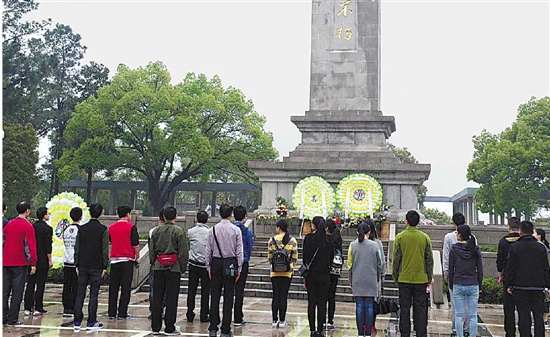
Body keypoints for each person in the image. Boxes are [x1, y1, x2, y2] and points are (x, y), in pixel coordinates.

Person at [392, 210, 433, 337]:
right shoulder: (425, 237)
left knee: (404, 308)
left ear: (407, 221)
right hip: (421, 279)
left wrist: (395, 276)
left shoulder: (400, 237)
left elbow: (396, 260)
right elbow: (429, 260)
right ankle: (421, 333)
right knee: (420, 309)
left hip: (404, 279)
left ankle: (405, 333)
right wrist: (429, 277)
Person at [505, 220, 550, 337]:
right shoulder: (541, 248)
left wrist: (509, 285)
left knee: (523, 315)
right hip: (538, 286)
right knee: (538, 316)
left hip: (520, 286)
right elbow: (546, 268)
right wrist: (548, 286)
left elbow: (510, 268)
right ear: (532, 232)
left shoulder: (515, 247)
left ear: (520, 232)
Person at [150, 206, 189, 336]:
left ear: (164, 217)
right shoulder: (179, 231)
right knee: (172, 297)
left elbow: (152, 251)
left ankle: (155, 327)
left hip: (159, 266)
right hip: (174, 268)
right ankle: (169, 327)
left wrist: (153, 264)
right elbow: (183, 252)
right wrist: (183, 268)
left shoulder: (156, 231)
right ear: (175, 217)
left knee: (157, 297)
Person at [206, 204, 243, 337]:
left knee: (214, 296)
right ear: (230, 214)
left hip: (216, 263)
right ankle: (226, 329)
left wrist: (208, 266)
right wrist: (239, 268)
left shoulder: (213, 229)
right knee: (228, 297)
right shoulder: (235, 230)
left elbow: (208, 250)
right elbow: (239, 251)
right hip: (230, 264)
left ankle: (213, 327)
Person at [73, 203, 109, 332]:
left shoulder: (81, 229)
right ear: (101, 213)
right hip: (96, 265)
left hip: (82, 264)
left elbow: (77, 248)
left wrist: (76, 263)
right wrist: (105, 265)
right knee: (94, 294)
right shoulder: (103, 229)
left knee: (80, 293)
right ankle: (91, 321)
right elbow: (104, 250)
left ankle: (77, 321)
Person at [3, 202, 37, 326]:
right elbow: (30, 246)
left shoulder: (8, 225)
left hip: (5, 262)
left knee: (4, 291)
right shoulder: (27, 226)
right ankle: (12, 318)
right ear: (27, 211)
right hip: (20, 263)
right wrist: (33, 262)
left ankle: (3, 316)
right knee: (17, 292)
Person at [348, 222, 383, 337]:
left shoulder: (352, 245)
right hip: (371, 278)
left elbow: (349, 264)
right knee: (369, 306)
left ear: (357, 232)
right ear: (369, 232)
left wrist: (350, 279)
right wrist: (378, 275)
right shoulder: (375, 245)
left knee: (359, 306)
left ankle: (359, 332)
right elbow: (380, 263)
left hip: (357, 278)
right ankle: (368, 332)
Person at [448, 225, 483, 337]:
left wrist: (451, 283)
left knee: (458, 314)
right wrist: (480, 284)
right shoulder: (475, 249)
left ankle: (459, 335)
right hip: (473, 283)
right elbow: (480, 269)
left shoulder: (454, 249)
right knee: (473, 315)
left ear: (460, 235)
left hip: (458, 282)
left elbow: (451, 269)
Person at [303, 216, 334, 337]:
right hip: (324, 275)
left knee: (312, 302)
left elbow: (305, 256)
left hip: (311, 275)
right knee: (322, 303)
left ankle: (312, 329)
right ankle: (320, 329)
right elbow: (331, 258)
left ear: (313, 226)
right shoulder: (329, 240)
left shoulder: (308, 238)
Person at [108, 205, 140, 320]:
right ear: (127, 214)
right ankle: (122, 312)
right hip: (127, 260)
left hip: (115, 260)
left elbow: (111, 243)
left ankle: (111, 312)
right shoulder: (131, 227)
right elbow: (135, 245)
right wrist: (137, 258)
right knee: (125, 288)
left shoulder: (111, 227)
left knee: (113, 287)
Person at [443, 212, 470, 337]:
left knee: (455, 303)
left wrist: (446, 273)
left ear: (453, 223)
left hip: (455, 275)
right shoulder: (472, 237)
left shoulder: (449, 237)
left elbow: (446, 256)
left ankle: (455, 328)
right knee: (468, 304)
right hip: (469, 275)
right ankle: (466, 328)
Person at [268, 219, 298, 328]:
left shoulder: (272, 240)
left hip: (275, 272)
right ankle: (282, 320)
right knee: (283, 295)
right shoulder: (292, 240)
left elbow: (270, 257)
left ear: (279, 228)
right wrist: (289, 266)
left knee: (275, 294)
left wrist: (275, 265)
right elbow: (295, 257)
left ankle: (274, 319)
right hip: (287, 273)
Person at [23, 206, 52, 316]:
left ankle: (27, 307)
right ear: (44, 216)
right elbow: (48, 246)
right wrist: (50, 259)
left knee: (30, 283)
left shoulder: (32, 227)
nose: (48, 215)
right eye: (48, 213)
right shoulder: (48, 229)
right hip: (43, 258)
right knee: (40, 283)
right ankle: (38, 306)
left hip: (32, 258)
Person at [496, 216, 521, 337]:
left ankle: (510, 332)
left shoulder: (503, 241)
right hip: (523, 277)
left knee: (509, 308)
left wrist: (500, 274)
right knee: (523, 308)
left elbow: (500, 260)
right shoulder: (524, 240)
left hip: (508, 277)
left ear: (509, 227)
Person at [187, 210, 211, 323]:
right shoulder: (210, 232)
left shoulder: (191, 231)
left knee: (191, 290)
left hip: (193, 264)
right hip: (205, 266)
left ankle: (189, 313)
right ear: (207, 220)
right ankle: (204, 314)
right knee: (205, 291)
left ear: (196, 219)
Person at [232, 205, 253, 326]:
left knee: (229, 290)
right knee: (239, 290)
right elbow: (249, 246)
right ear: (244, 216)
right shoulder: (246, 231)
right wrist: (246, 258)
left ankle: (226, 316)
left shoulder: (230, 229)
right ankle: (238, 318)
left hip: (229, 261)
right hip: (243, 262)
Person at [62, 207, 82, 317]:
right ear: (81, 217)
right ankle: (73, 306)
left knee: (66, 285)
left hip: (66, 260)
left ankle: (66, 307)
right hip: (76, 263)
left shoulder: (66, 230)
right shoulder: (81, 230)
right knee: (75, 286)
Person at [367, 219, 385, 334]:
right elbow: (381, 261)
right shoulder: (377, 243)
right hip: (374, 277)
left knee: (361, 303)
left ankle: (362, 324)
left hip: (361, 278)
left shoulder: (356, 243)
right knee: (373, 302)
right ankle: (371, 324)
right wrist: (382, 275)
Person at [324, 219, 342, 331]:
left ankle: (323, 320)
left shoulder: (327, 240)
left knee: (324, 297)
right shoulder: (338, 239)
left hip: (326, 270)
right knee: (332, 297)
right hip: (335, 271)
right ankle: (330, 321)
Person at [148, 209, 165, 319]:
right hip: (170, 264)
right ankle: (163, 308)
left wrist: (152, 262)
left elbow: (151, 249)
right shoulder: (177, 231)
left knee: (154, 288)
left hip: (156, 264)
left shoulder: (152, 231)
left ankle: (154, 310)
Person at [534, 228, 550, 325]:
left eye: (535, 233)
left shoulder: (542, 247)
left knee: (545, 298)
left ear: (539, 235)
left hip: (543, 275)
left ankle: (544, 318)